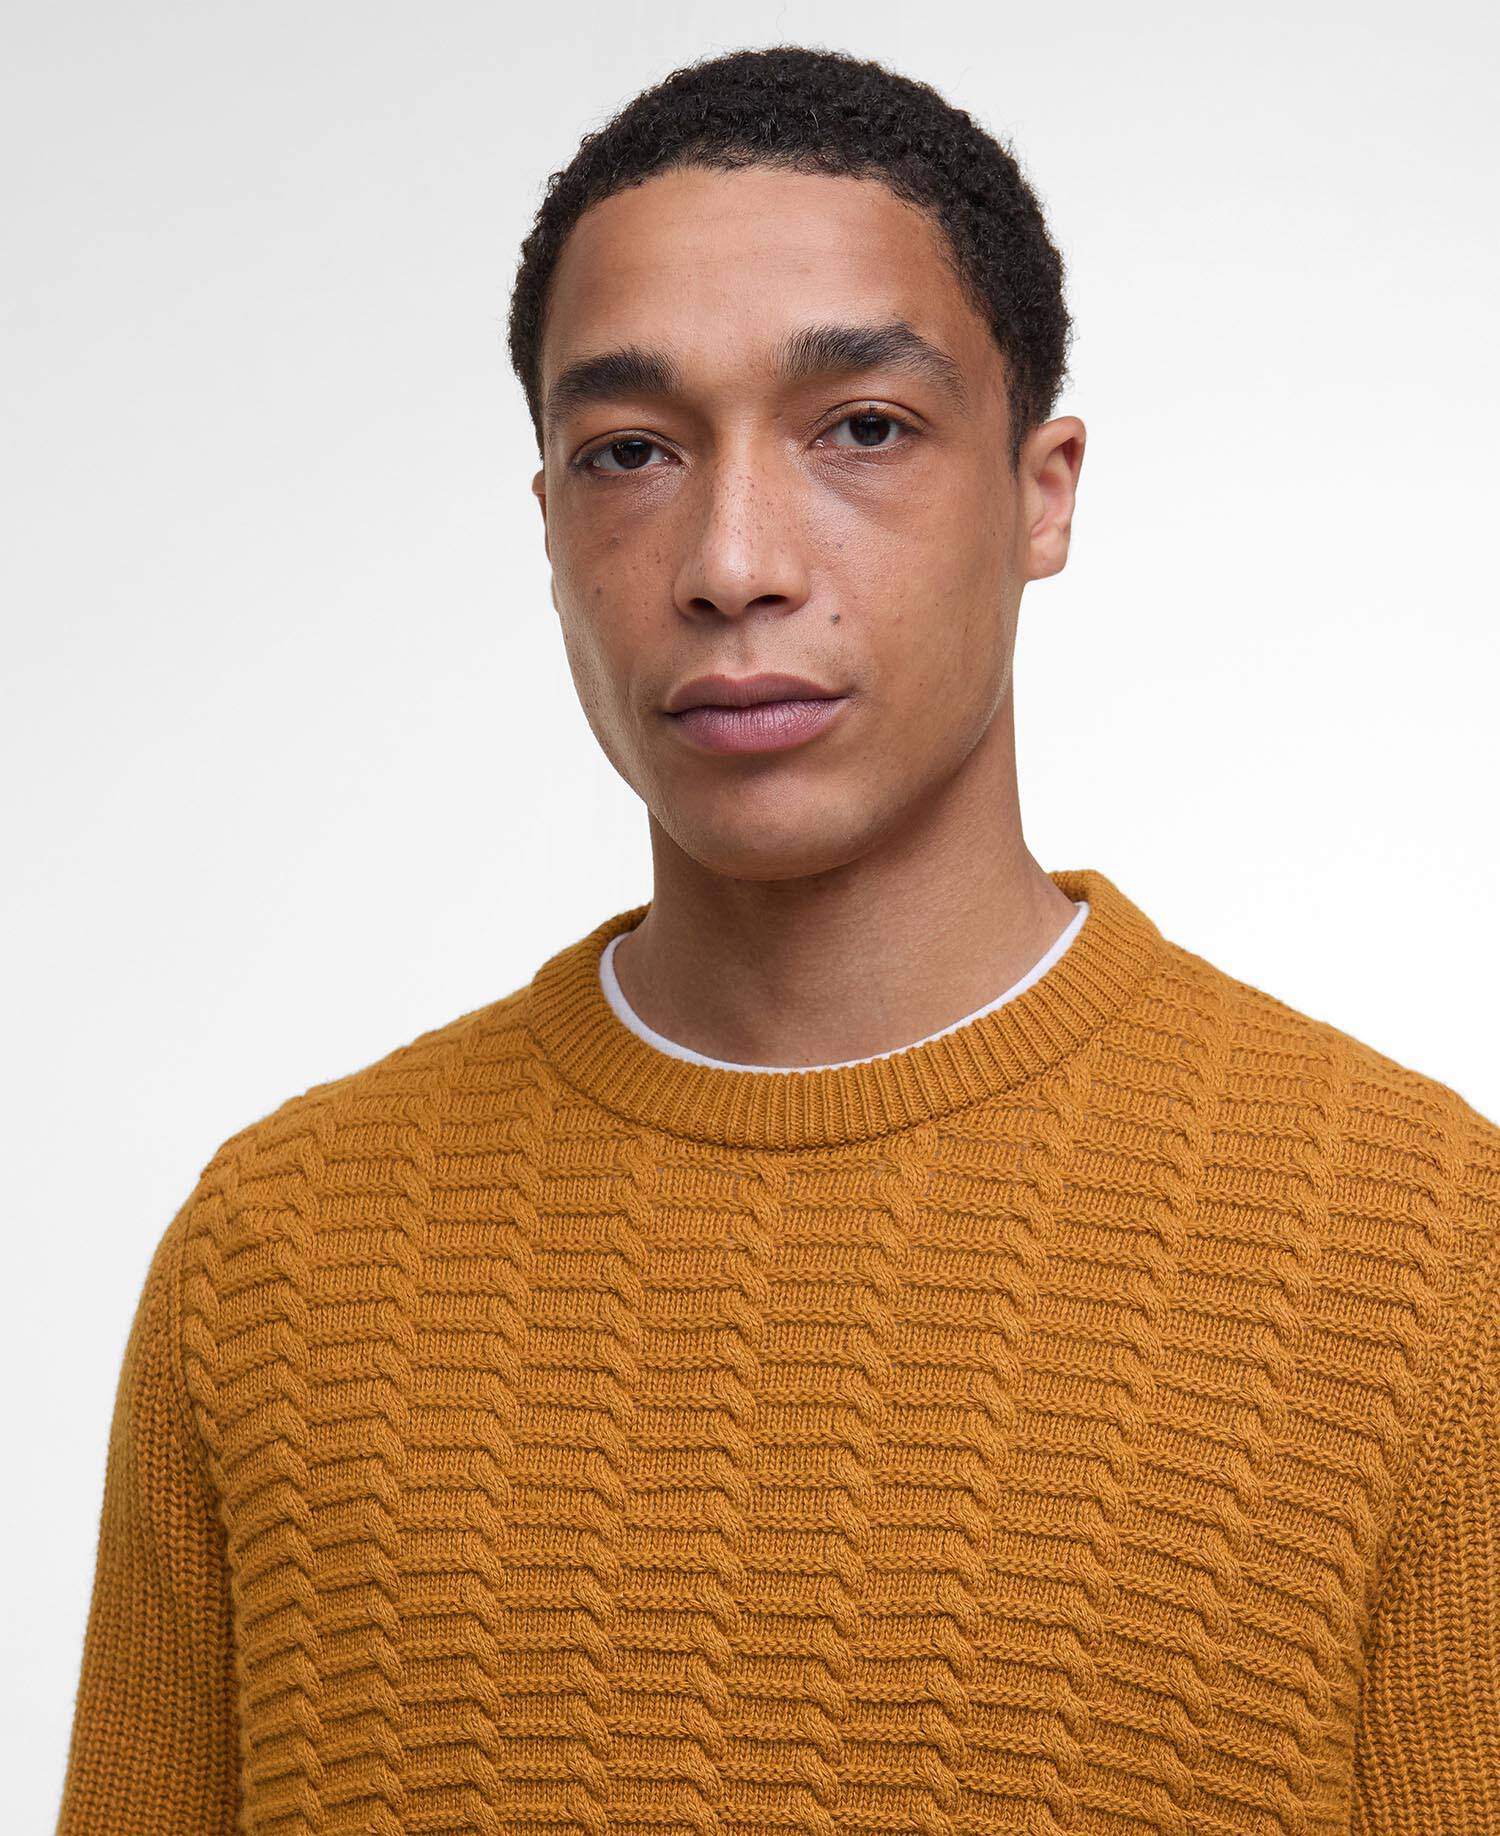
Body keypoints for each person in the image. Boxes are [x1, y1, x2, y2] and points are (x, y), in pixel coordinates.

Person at [57, 44, 1499, 1835]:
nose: (733, 560)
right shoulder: (272, 1266)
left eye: (863, 429)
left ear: (1043, 491)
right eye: (632, 453)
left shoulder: (1424, 1262)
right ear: (550, 528)